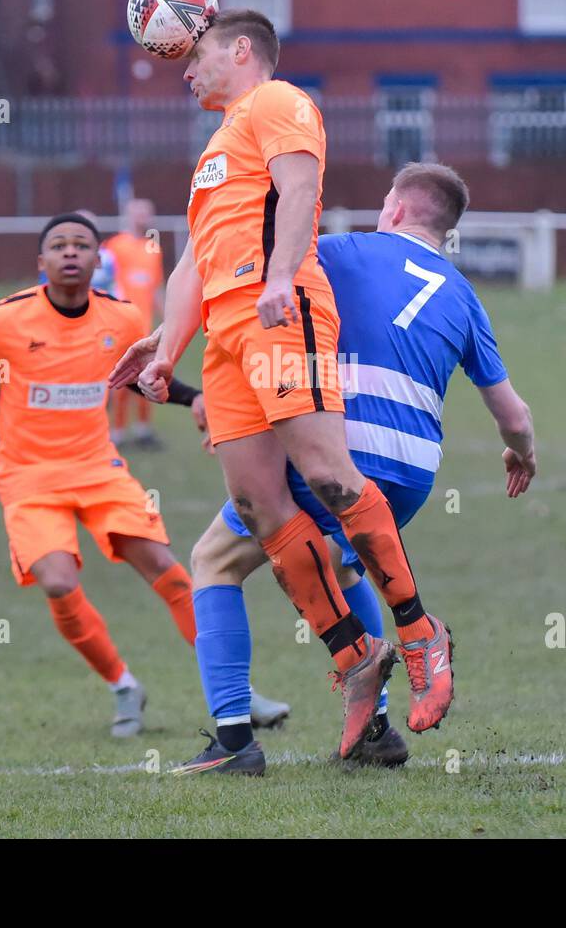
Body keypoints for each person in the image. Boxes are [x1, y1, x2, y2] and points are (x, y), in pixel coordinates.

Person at [113, 10, 458, 766]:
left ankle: (420, 631)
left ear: (242, 51)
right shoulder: (213, 151)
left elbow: (300, 190)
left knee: (331, 479)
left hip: (277, 310)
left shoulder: (278, 102)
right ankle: (354, 657)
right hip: (227, 337)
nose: (185, 68)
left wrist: (278, 278)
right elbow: (192, 264)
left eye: (197, 54)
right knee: (258, 508)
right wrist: (166, 350)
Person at [123, 164, 537, 774]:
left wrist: (165, 342)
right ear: (445, 229)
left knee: (215, 560)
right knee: (343, 568)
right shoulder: (464, 296)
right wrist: (520, 454)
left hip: (338, 451)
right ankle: (375, 730)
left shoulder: (338, 253)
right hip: (412, 474)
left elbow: (244, 293)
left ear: (394, 209)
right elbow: (513, 413)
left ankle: (234, 739)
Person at [0, 212, 203, 738]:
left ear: (95, 259)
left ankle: (232, 690)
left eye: (81, 244)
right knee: (59, 582)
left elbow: (140, 378)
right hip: (27, 475)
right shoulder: (5, 318)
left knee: (170, 571)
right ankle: (123, 686)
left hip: (99, 469)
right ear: (41, 262)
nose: (70, 252)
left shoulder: (123, 318)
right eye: (58, 245)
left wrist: (194, 398)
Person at [103, 199, 166, 450]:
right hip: (119, 323)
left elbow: (156, 287)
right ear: (128, 214)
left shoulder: (153, 247)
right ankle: (117, 433)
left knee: (149, 375)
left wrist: (168, 317)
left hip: (146, 326)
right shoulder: (114, 246)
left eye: (146, 212)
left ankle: (143, 430)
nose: (143, 217)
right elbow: (102, 283)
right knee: (122, 377)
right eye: (138, 211)